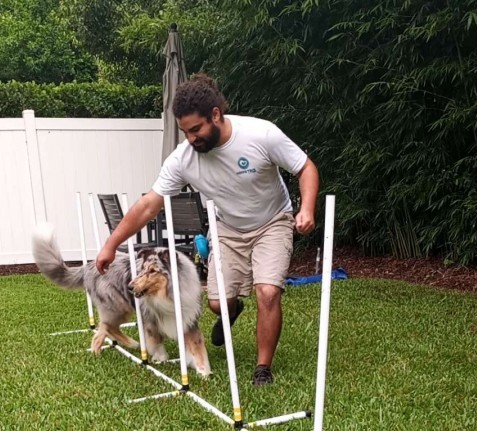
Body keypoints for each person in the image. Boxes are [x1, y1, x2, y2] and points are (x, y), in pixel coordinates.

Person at [96, 73, 319, 386]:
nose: (191, 138)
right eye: (185, 132)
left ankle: (262, 368)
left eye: (196, 129)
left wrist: (306, 209)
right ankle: (232, 307)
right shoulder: (184, 159)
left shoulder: (260, 134)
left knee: (268, 292)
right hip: (227, 228)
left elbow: (305, 167)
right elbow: (149, 205)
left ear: (216, 115)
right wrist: (111, 243)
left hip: (273, 220)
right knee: (217, 304)